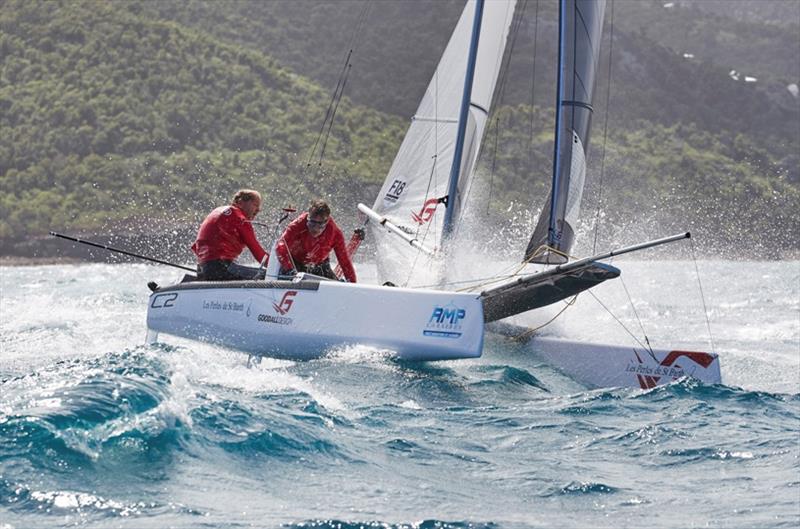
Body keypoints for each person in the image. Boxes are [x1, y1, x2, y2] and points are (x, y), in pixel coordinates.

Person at [192, 189, 268, 281]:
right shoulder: (239, 217)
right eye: (255, 205)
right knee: (269, 276)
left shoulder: (218, 211)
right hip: (221, 268)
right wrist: (280, 268)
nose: (258, 210)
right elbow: (258, 252)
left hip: (202, 269)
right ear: (240, 202)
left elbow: (198, 246)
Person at [275, 199, 357, 283]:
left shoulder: (335, 233)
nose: (315, 229)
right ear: (308, 219)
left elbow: (345, 262)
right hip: (295, 264)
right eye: (312, 223)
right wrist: (289, 269)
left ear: (326, 222)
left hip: (320, 266)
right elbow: (280, 246)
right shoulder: (298, 224)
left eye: (320, 225)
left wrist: (353, 285)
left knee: (336, 283)